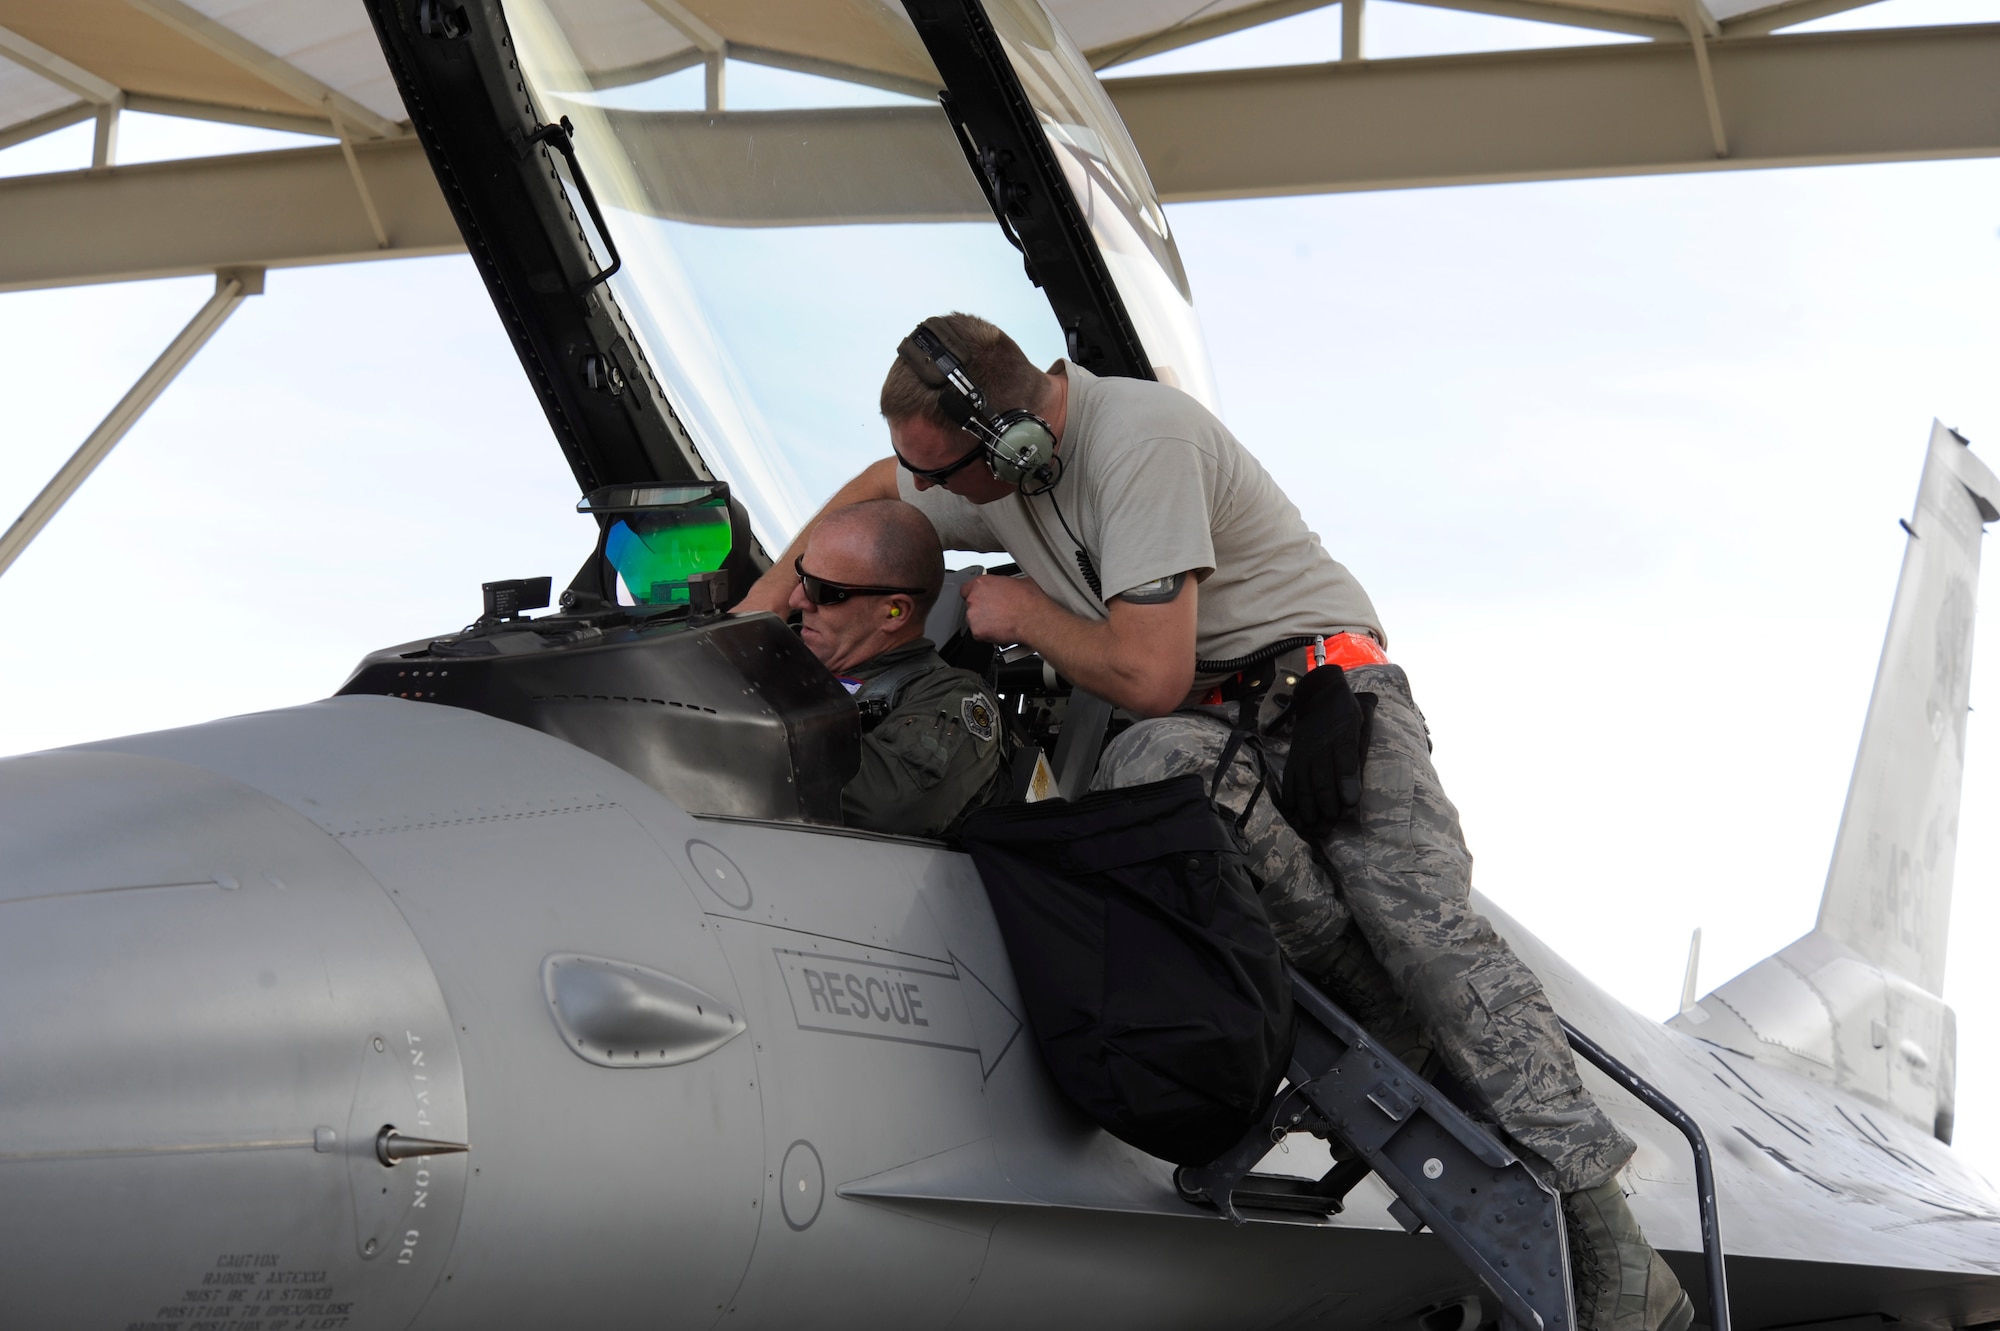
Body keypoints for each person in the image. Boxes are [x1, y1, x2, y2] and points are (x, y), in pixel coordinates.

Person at [738, 315, 1689, 1331]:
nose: (939, 494)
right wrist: (750, 628)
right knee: (1144, 782)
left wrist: (1022, 616)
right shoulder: (994, 473)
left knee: (1422, 932)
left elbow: (1148, 674)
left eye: (952, 469)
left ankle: (1608, 1240)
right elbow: (876, 494)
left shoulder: (1137, 441)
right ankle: (1389, 1013)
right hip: (1208, 724)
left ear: (1013, 436)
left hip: (1328, 703)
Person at [787, 498, 1007, 839]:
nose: (796, 601)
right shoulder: (782, 653)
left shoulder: (950, 697)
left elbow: (886, 807)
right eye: (802, 577)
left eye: (823, 591)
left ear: (894, 612)